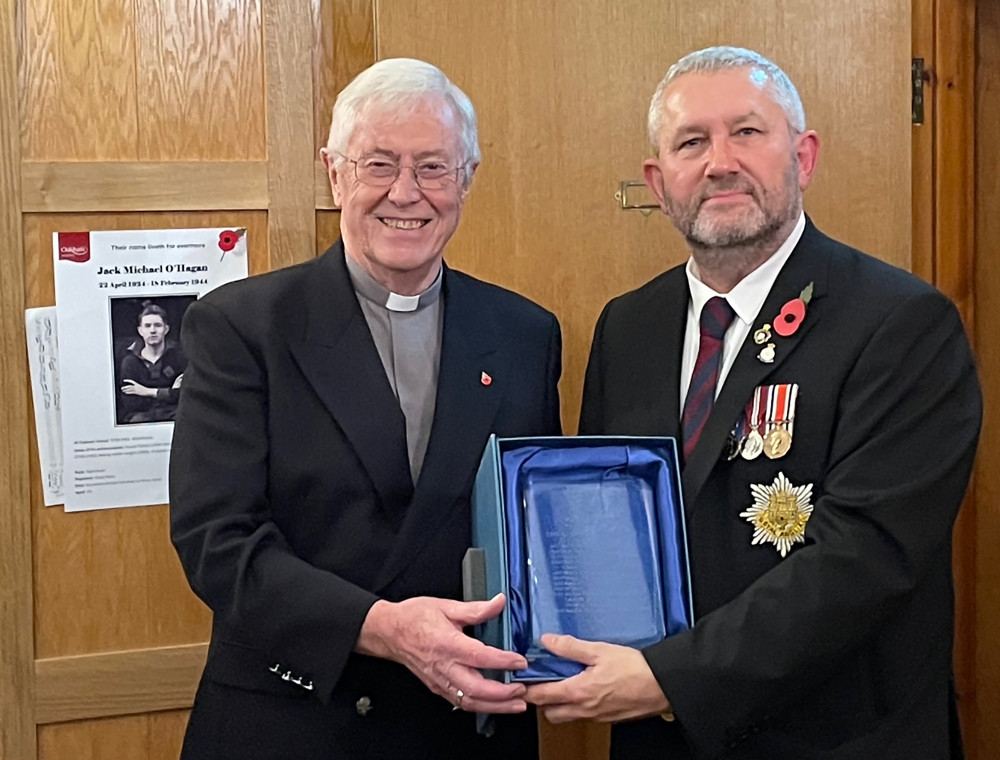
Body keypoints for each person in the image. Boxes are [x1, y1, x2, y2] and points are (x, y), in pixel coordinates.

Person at [525, 46, 981, 759]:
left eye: (746, 132)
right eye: (691, 142)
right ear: (659, 179)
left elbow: (865, 561)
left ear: (803, 157)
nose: (720, 162)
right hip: (661, 743)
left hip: (836, 739)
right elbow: (607, 523)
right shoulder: (629, 326)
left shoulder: (900, 324)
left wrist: (666, 679)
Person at [169, 58, 561, 760]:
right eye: (379, 163)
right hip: (297, 722)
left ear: (468, 178)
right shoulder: (243, 327)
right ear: (335, 173)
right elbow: (216, 543)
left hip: (465, 727)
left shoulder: (526, 334)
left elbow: (536, 529)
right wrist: (383, 627)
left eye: (434, 167)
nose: (405, 193)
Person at [118, 301, 186, 423]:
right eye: (147, 326)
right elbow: (131, 403)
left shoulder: (179, 357)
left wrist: (146, 392)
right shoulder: (129, 362)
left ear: (166, 329)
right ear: (140, 331)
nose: (153, 330)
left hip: (174, 415)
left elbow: (185, 395)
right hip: (141, 418)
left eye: (157, 325)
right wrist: (168, 393)